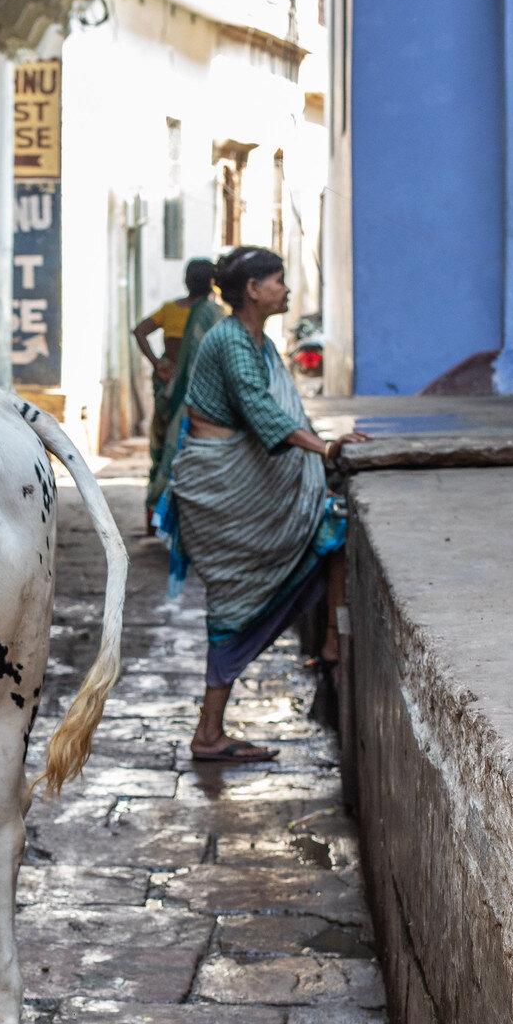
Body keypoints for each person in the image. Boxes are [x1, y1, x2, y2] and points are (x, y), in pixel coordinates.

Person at [158, 246, 369, 763]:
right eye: (278, 279)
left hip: (246, 482)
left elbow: (281, 406)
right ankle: (209, 733)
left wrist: (322, 446)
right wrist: (324, 449)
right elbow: (258, 409)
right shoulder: (230, 340)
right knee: (236, 602)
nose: (286, 288)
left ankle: (329, 649)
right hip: (225, 491)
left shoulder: (259, 341)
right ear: (252, 288)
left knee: (330, 533)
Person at [134, 259, 222, 532]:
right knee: (192, 451)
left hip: (168, 389)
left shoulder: (171, 310)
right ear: (211, 283)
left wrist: (157, 363)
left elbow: (140, 331)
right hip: (198, 394)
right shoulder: (215, 313)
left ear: (186, 281)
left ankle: (154, 515)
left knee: (162, 449)